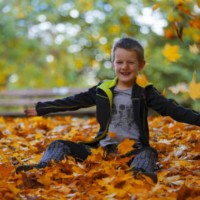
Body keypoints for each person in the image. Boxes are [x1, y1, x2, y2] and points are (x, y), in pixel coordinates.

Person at [16, 37, 200, 183]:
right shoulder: (102, 90)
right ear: (113, 63)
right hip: (100, 151)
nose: (124, 67)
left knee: (149, 153)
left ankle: (140, 174)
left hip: (132, 151)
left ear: (141, 65)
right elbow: (73, 101)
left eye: (130, 62)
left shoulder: (145, 92)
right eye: (119, 62)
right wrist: (42, 108)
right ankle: (42, 167)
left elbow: (173, 110)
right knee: (58, 144)